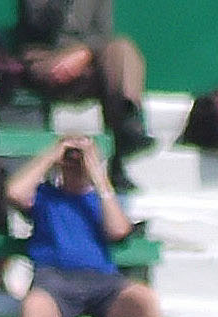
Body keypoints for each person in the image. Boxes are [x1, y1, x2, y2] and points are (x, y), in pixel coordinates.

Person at [6, 134, 177, 317]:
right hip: (55, 281)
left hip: (102, 283)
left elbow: (118, 230)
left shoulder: (100, 199)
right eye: (71, 162)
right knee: (34, 306)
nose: (76, 167)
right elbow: (14, 192)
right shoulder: (46, 197)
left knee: (145, 300)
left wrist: (97, 175)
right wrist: (52, 155)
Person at [14, 0, 155, 191]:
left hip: (85, 58)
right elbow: (38, 25)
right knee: (109, 72)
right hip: (45, 57)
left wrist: (85, 53)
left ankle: (127, 128)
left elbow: (103, 33)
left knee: (122, 50)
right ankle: (124, 135)